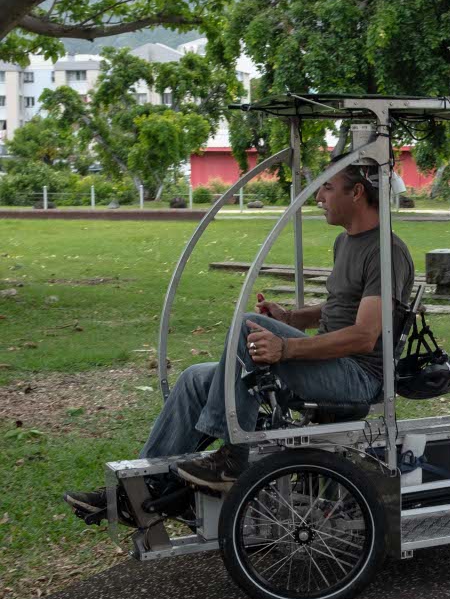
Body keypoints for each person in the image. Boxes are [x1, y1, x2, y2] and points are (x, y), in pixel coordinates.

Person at [64, 159, 415, 517]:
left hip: (357, 377)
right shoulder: (345, 242)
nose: (319, 197)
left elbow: (364, 335)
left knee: (247, 325)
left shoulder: (386, 251)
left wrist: (286, 347)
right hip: (329, 366)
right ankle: (140, 489)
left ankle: (233, 458)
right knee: (195, 379)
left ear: (356, 192)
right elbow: (342, 306)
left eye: (327, 187)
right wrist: (290, 318)